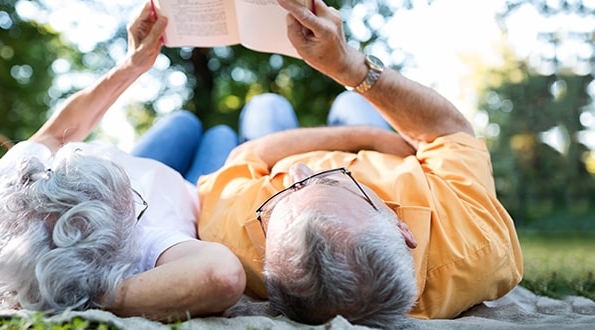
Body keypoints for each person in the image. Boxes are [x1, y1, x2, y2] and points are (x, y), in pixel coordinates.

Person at [196, 0, 523, 327]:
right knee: (352, 99)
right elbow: (449, 130)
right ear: (401, 228)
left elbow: (245, 157)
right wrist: (348, 69)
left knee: (266, 104)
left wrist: (358, 140)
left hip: (275, 152)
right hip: (392, 151)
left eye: (286, 194)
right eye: (332, 180)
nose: (299, 171)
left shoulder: (240, 237)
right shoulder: (478, 240)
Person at [0, 3, 245, 322]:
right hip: (192, 190)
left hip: (144, 162)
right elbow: (222, 276)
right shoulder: (140, 252)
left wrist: (132, 64)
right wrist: (95, 299)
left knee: (183, 122)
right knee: (222, 134)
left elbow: (59, 134)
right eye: (133, 204)